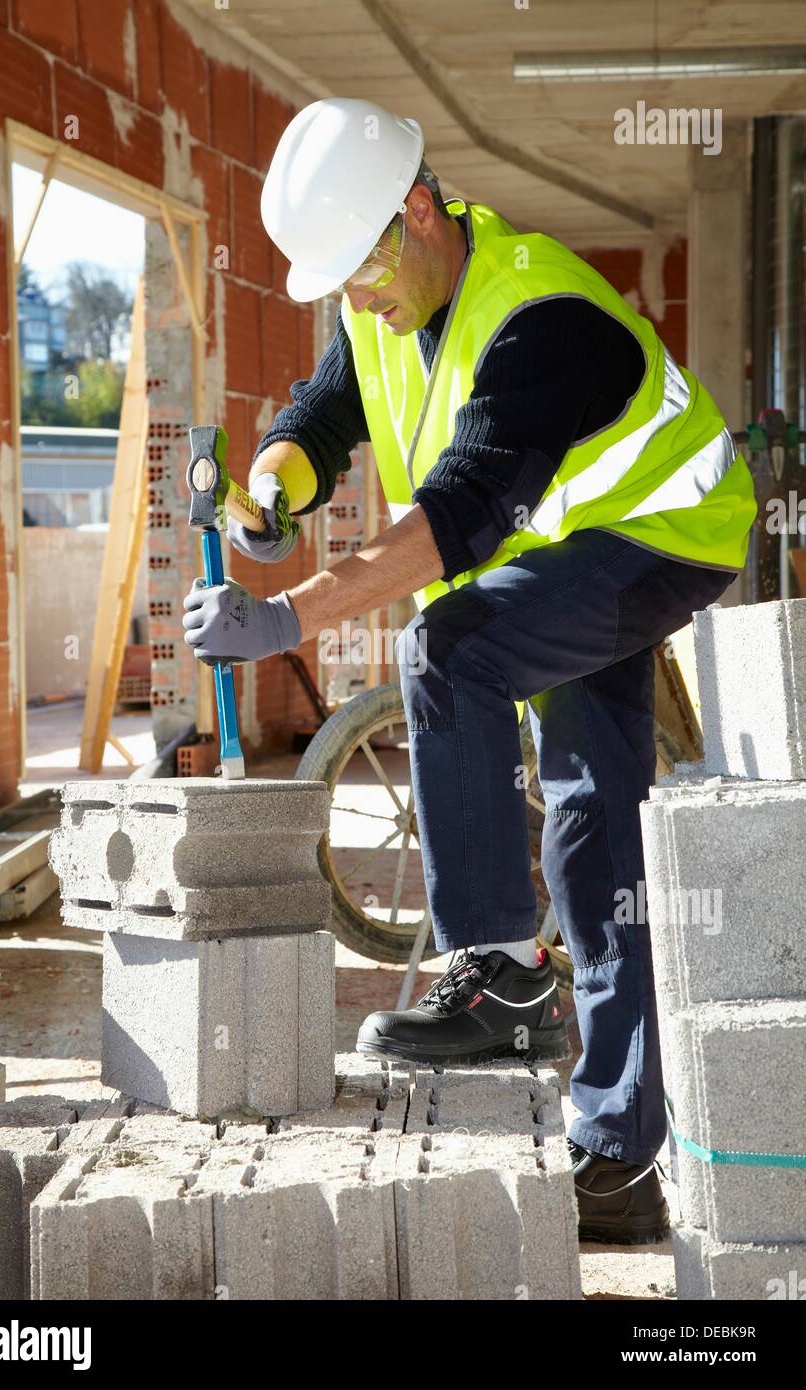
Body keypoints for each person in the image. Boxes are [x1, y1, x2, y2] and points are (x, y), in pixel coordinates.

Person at [181, 98, 757, 1243]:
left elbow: (455, 522)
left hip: (667, 536)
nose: (354, 296)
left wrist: (284, 612)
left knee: (446, 644)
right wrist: (272, 498)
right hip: (567, 560)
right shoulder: (390, 303)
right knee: (599, 832)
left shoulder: (536, 318)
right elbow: (319, 412)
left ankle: (498, 970)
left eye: (358, 270)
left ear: (414, 212)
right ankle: (618, 1157)